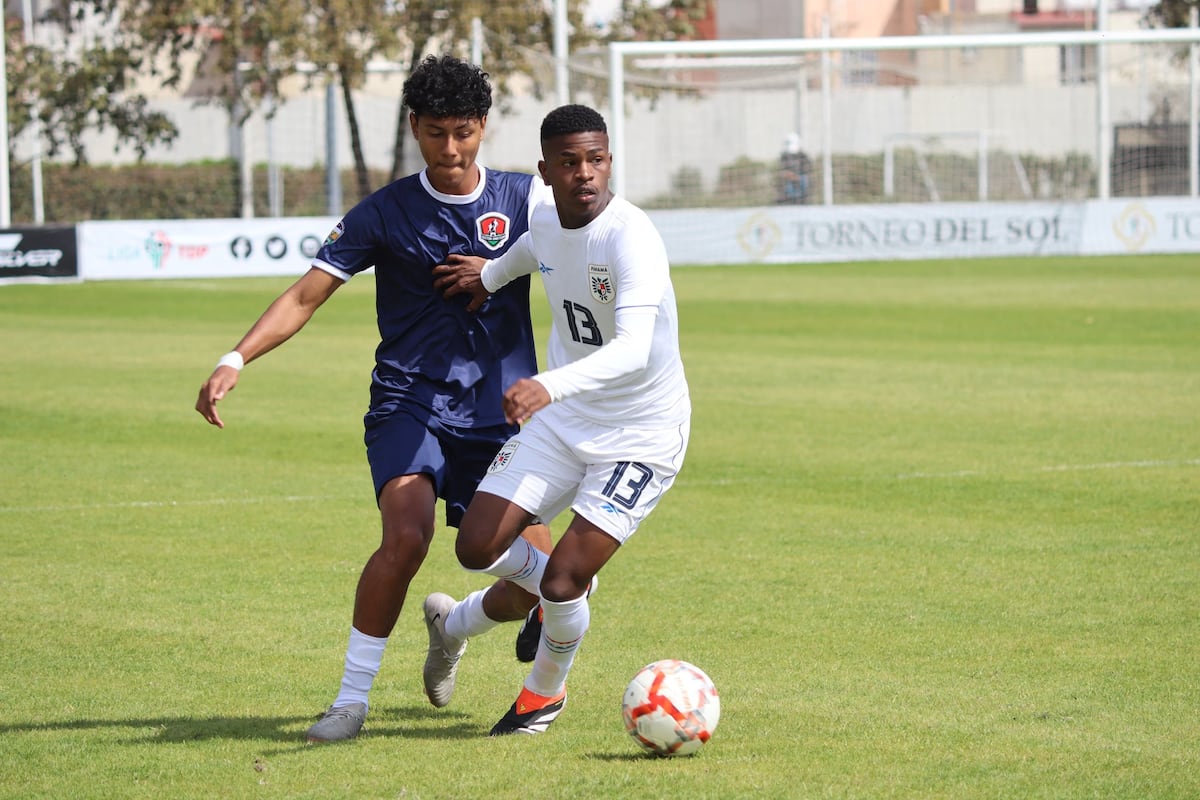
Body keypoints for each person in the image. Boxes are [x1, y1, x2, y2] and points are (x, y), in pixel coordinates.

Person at [193, 54, 555, 744]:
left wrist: (503, 266)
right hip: (409, 402)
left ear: (483, 126)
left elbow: (583, 248)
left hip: (503, 415)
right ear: (414, 126)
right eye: (437, 133)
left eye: (465, 132)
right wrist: (235, 356)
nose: (452, 150)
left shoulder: (523, 201)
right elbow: (306, 294)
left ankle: (453, 626)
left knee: (537, 582)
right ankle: (349, 702)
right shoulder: (385, 212)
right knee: (408, 533)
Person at [426, 103, 691, 736]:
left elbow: (631, 349)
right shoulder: (544, 216)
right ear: (545, 171)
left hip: (641, 434)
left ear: (609, 161)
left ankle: (542, 695)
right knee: (476, 545)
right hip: (565, 423)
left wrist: (546, 384)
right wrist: (489, 276)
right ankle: (471, 619)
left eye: (596, 160)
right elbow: (533, 249)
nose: (586, 174)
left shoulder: (632, 236)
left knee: (567, 576)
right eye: (569, 163)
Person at [777, 132, 811, 205]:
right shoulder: (784, 157)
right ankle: (789, 200)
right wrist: (790, 175)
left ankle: (803, 200)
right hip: (789, 179)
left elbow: (807, 169)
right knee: (788, 186)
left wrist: (797, 177)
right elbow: (782, 171)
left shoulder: (802, 155)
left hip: (800, 178)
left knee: (804, 180)